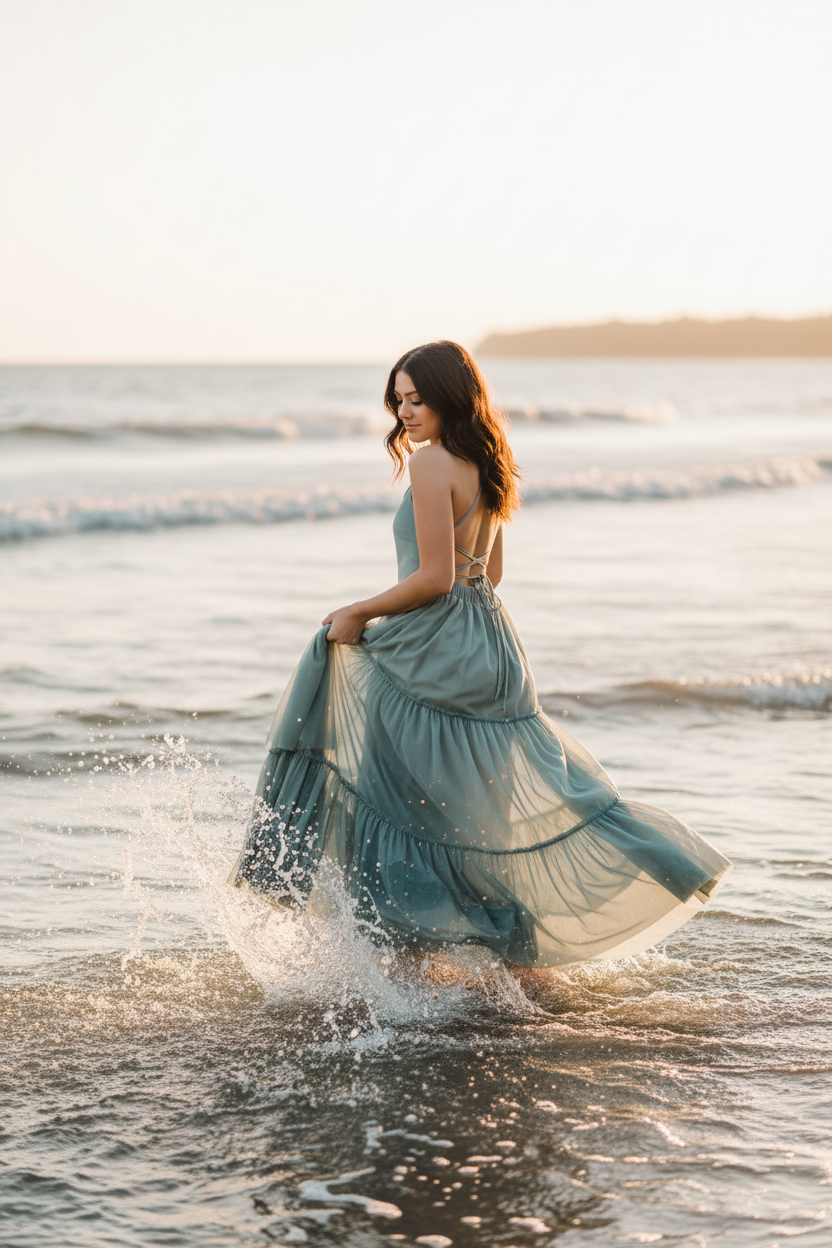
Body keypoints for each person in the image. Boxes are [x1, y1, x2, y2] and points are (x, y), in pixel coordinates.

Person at [229, 341, 731, 971]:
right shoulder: (487, 459)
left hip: (433, 643)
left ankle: (407, 966)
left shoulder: (430, 464)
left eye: (417, 399)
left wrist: (358, 610)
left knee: (402, 800)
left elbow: (435, 578)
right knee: (477, 806)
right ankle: (517, 949)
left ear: (448, 396)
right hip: (490, 642)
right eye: (399, 400)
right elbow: (487, 571)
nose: (406, 413)